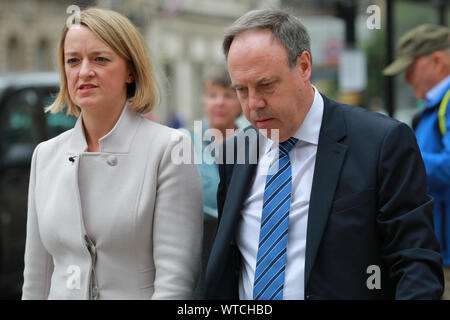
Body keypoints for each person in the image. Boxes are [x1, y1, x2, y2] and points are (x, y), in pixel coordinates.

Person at [205, 9, 444, 300]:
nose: (254, 104)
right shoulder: (235, 150)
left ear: (304, 66)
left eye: (266, 85)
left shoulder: (381, 143)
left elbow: (415, 264)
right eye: (241, 90)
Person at [22, 8, 203, 300]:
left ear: (131, 70)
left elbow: (175, 283)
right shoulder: (45, 155)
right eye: (73, 61)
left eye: (100, 59)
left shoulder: (169, 149)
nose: (83, 72)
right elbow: (35, 279)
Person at [383, 24, 450, 299]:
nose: (407, 79)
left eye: (410, 68)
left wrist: (400, 157)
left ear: (437, 60)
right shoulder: (435, 106)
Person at [191, 68, 243, 298]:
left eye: (228, 95)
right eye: (213, 95)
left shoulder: (256, 142)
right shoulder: (186, 142)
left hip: (240, 242)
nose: (220, 103)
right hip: (199, 243)